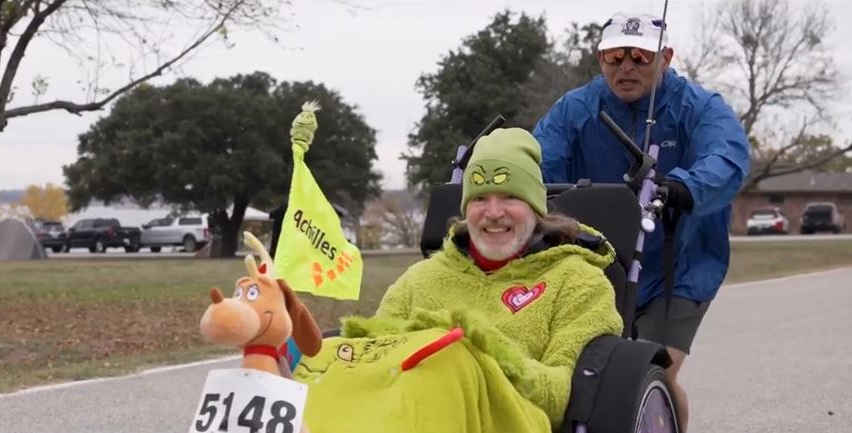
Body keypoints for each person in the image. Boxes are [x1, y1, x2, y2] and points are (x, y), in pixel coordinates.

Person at [293, 128, 623, 433]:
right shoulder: (420, 280)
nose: (493, 212)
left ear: (536, 207)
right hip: (405, 416)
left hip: (512, 421)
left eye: (509, 196)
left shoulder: (579, 282)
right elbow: (377, 360)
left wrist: (479, 351)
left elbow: (560, 396)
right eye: (480, 198)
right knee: (325, 354)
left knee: (450, 358)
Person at [532, 12, 751, 432]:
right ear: (600, 59)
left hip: (679, 265)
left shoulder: (699, 107)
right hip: (599, 262)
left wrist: (683, 187)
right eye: (615, 56)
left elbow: (727, 156)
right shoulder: (576, 108)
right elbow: (540, 158)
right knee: (585, 374)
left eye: (640, 56)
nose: (626, 67)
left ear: (665, 57)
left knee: (655, 373)